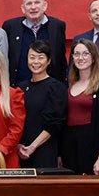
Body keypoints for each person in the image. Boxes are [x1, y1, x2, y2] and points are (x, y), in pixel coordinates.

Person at [60, 39, 99, 175]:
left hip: (91, 147)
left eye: (85, 54)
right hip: (69, 146)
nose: (80, 58)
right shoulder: (68, 84)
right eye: (76, 54)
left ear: (94, 57)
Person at [17, 40, 67, 169]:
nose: (35, 62)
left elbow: (54, 124)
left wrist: (32, 147)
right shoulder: (20, 87)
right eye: (32, 57)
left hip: (44, 150)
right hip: (20, 150)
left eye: (41, 57)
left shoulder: (56, 87)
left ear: (49, 60)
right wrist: (18, 145)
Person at [2, 0, 67, 86]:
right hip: (18, 89)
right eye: (29, 4)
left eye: (37, 2)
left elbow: (61, 60)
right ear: (23, 8)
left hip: (50, 89)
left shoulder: (57, 26)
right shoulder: (10, 27)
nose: (33, 7)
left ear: (44, 6)